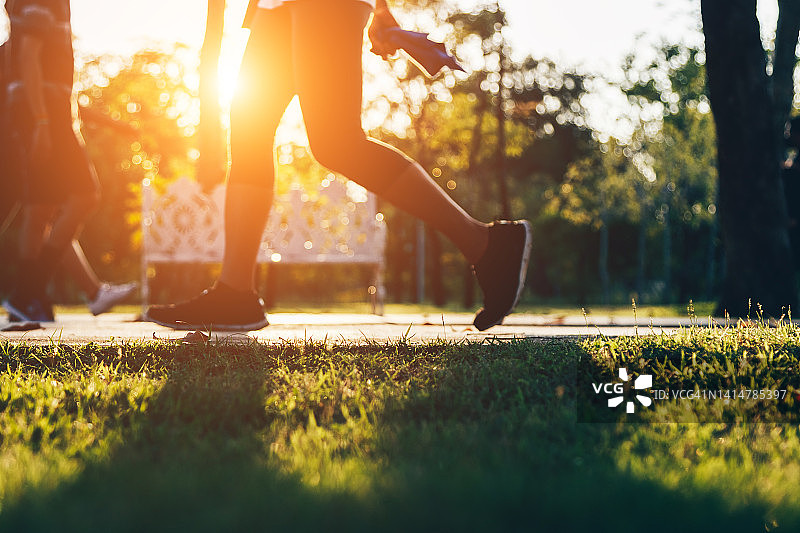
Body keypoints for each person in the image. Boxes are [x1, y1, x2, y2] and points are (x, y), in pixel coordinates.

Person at [145, 0, 531, 332]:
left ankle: (482, 242)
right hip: (274, 7)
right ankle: (235, 293)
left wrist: (380, 8)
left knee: (337, 141)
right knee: (248, 127)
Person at [2, 0, 136, 322]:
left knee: (42, 209)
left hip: (48, 116)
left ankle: (37, 294)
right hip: (44, 119)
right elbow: (30, 60)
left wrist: (113, 125)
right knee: (80, 197)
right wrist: (42, 122)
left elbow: (47, 73)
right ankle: (27, 291)